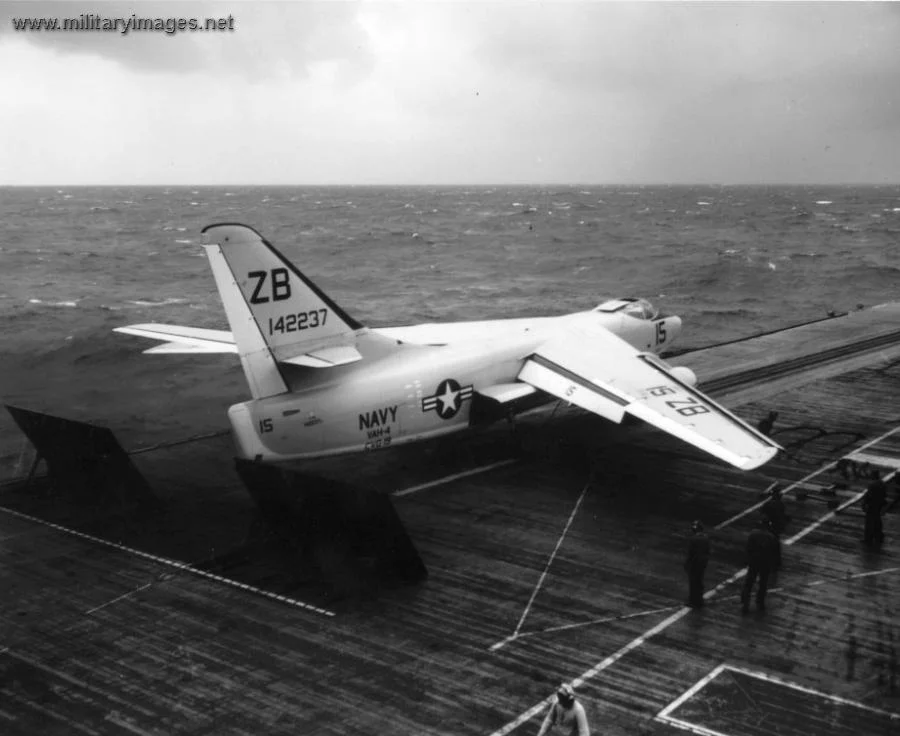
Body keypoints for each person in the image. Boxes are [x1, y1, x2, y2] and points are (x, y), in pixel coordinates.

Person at [741, 518, 778, 613]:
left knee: (749, 583)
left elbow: (748, 548)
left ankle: (745, 603)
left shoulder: (753, 534)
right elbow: (774, 552)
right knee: (763, 583)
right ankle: (760, 602)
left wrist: (746, 560)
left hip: (754, 561)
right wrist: (774, 566)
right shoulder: (771, 537)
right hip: (765, 563)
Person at [761, 485, 788, 571]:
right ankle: (777, 561)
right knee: (776, 542)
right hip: (778, 525)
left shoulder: (769, 504)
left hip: (771, 525)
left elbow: (762, 511)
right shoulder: (781, 504)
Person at [684, 520, 710, 608]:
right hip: (702, 563)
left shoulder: (693, 539)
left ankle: (692, 601)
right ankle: (700, 600)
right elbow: (708, 551)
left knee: (693, 583)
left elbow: (690, 553)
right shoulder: (706, 538)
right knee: (699, 582)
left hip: (694, 564)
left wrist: (687, 564)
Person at [862, 470, 888, 548]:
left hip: (872, 505)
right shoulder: (882, 484)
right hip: (879, 505)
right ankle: (879, 536)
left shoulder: (872, 485)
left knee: (869, 522)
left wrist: (864, 504)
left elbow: (868, 496)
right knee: (877, 521)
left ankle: (868, 538)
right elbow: (884, 495)